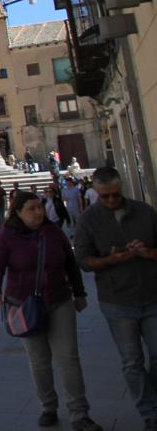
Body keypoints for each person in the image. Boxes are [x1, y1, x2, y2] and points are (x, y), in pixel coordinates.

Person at [0, 191, 101, 430]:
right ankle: (48, 406)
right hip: (24, 306)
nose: (38, 212)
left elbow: (70, 263)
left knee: (69, 358)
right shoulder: (6, 236)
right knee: (39, 361)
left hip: (59, 300)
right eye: (31, 208)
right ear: (17, 212)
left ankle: (79, 412)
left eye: (39, 207)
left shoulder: (53, 232)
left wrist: (79, 293)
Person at [74, 167, 157, 430]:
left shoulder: (144, 212)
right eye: (105, 196)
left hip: (151, 294)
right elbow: (84, 261)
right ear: (96, 193)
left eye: (115, 195)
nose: (111, 200)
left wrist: (147, 253)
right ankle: (149, 412)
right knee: (132, 361)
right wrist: (111, 259)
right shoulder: (88, 219)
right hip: (116, 300)